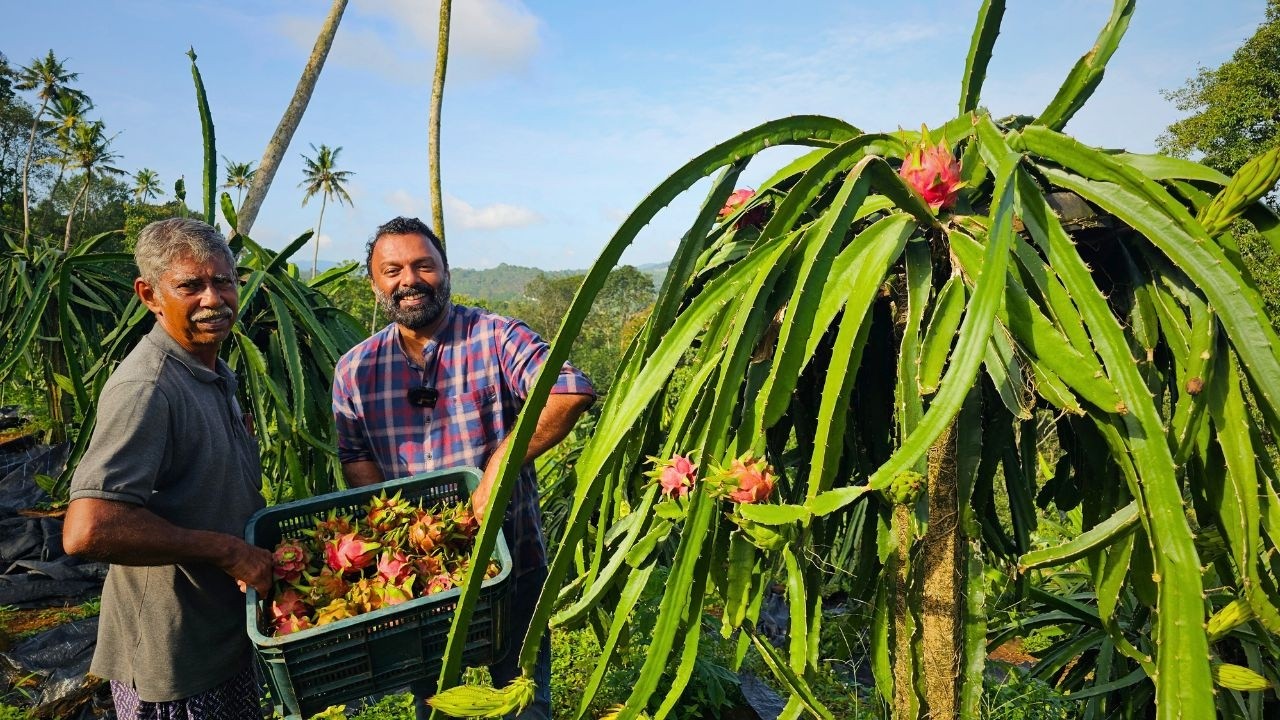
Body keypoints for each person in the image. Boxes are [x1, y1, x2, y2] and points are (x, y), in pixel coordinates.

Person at [332, 216, 595, 719]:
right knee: (433, 704)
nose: (408, 279)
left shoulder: (496, 337)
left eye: (422, 265)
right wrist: (394, 532)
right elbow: (356, 455)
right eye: (392, 270)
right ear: (374, 285)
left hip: (512, 562)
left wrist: (498, 465)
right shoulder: (355, 369)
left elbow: (570, 391)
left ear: (445, 271)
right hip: (417, 583)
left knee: (524, 700)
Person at [62, 218, 274, 720]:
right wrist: (226, 551)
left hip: (217, 634)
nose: (213, 299)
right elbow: (87, 528)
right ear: (149, 295)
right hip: (172, 658)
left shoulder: (212, 369)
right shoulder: (148, 387)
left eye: (223, 281)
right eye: (190, 285)